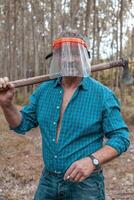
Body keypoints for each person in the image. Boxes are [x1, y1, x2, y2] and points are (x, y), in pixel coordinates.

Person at [0, 30, 130, 200]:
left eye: (75, 53)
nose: (68, 58)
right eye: (63, 53)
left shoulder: (102, 95)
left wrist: (93, 161)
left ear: (85, 57)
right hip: (48, 180)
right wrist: (7, 105)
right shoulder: (44, 91)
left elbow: (121, 137)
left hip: (85, 185)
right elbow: (21, 124)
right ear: (56, 58)